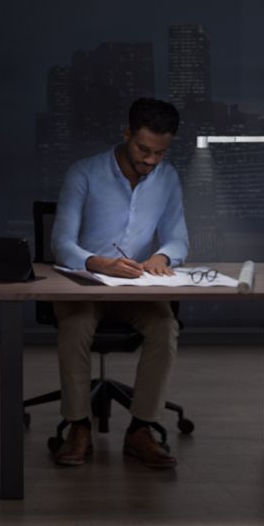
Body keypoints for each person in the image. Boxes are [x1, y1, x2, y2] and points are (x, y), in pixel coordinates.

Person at [49, 97, 188, 470]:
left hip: (136, 289)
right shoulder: (85, 173)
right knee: (77, 324)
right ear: (127, 135)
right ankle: (78, 427)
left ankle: (141, 429)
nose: (151, 160)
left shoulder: (168, 178)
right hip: (85, 283)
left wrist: (162, 257)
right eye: (144, 149)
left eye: (160, 152)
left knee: (164, 326)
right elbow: (60, 243)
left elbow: (178, 239)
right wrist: (97, 263)